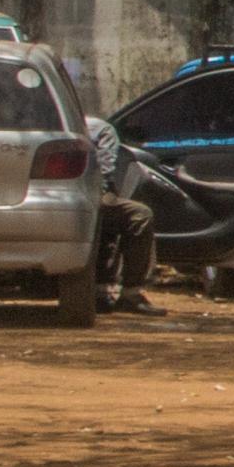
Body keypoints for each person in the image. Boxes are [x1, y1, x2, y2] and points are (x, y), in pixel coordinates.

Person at [85, 113, 160, 315]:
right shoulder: (100, 128)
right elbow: (106, 172)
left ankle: (102, 289)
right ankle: (131, 293)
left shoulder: (33, 122)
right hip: (84, 197)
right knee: (140, 215)